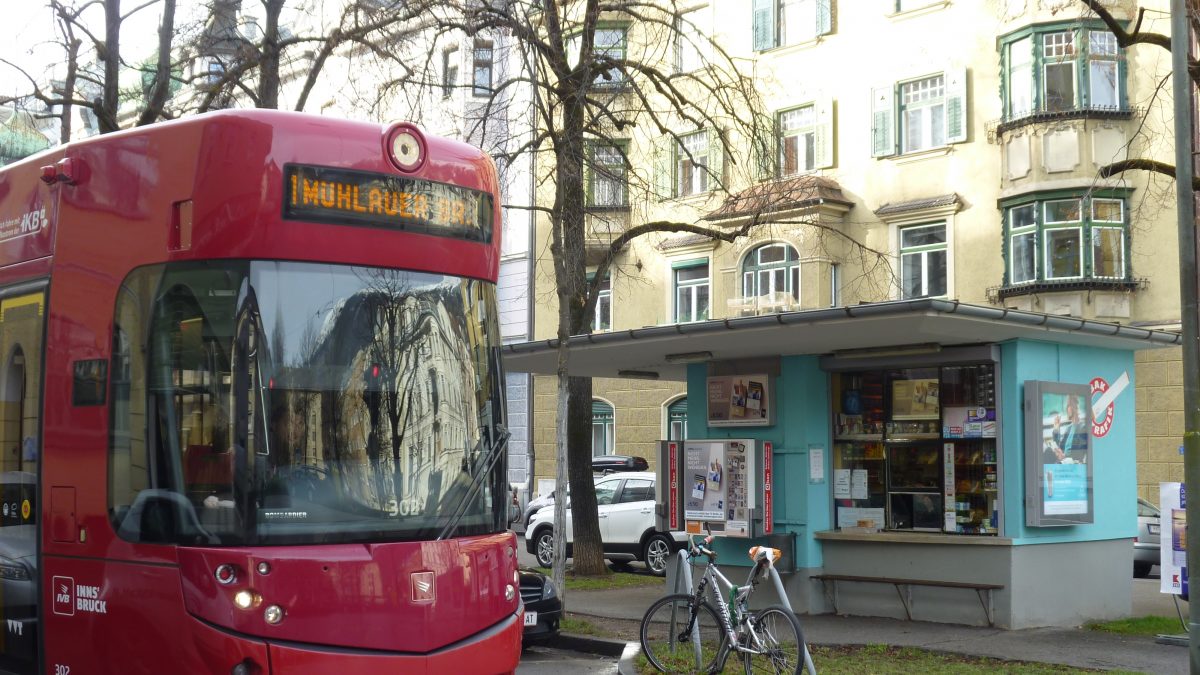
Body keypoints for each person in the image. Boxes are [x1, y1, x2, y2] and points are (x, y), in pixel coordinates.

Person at [1052, 395, 1088, 460]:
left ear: (1074, 407)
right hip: (1064, 462)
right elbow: (1059, 446)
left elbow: (1079, 454)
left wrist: (1064, 456)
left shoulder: (1083, 428)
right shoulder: (1068, 428)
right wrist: (1056, 428)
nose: (1067, 409)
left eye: (1068, 406)